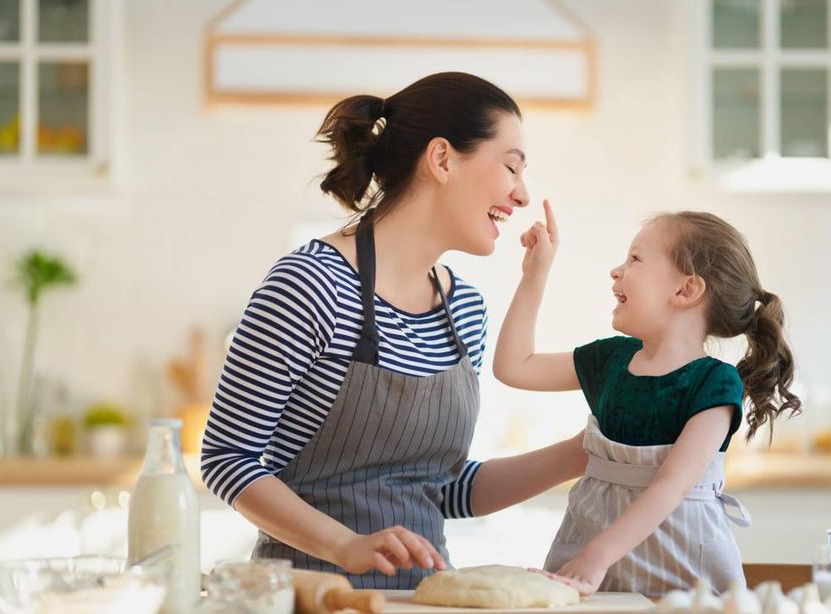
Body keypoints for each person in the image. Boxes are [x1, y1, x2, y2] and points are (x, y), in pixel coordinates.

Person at [201, 72, 587, 589]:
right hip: (314, 596)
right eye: (512, 167)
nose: (522, 196)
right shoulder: (311, 285)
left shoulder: (464, 309)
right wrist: (344, 544)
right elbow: (228, 459)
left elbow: (443, 490)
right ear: (443, 159)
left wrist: (579, 452)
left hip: (426, 598)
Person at [494, 205, 801, 596]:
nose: (616, 270)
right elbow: (514, 367)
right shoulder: (609, 361)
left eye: (635, 258)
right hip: (596, 572)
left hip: (683, 575)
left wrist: (598, 555)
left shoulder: (714, 384)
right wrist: (534, 275)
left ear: (686, 289)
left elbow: (670, 486)